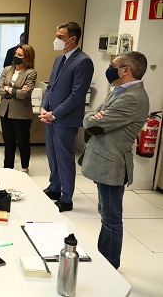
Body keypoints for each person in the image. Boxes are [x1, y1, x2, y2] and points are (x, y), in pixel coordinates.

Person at [79, 51, 149, 269]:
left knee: (111, 219)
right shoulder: (119, 90)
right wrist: (94, 116)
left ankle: (109, 266)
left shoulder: (132, 97)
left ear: (126, 70)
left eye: (114, 65)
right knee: (105, 214)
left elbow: (94, 123)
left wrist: (93, 117)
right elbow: (94, 114)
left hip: (112, 164)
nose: (110, 68)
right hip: (105, 160)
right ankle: (103, 259)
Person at [39, 22, 94, 212]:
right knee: (53, 156)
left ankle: (66, 197)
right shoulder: (59, 59)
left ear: (73, 39)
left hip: (64, 119)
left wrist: (55, 113)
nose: (56, 40)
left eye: (60, 37)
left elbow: (77, 96)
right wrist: (43, 108)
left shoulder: (83, 61)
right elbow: (50, 87)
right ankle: (54, 188)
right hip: (50, 117)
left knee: (64, 158)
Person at [0, 44, 37, 173]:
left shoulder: (31, 73)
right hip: (5, 111)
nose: (16, 57)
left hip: (21, 113)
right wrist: (14, 90)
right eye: (16, 54)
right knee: (8, 142)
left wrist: (8, 88)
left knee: (23, 142)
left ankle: (25, 167)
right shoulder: (7, 70)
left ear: (27, 58)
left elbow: (25, 94)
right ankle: (8, 167)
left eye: (20, 55)